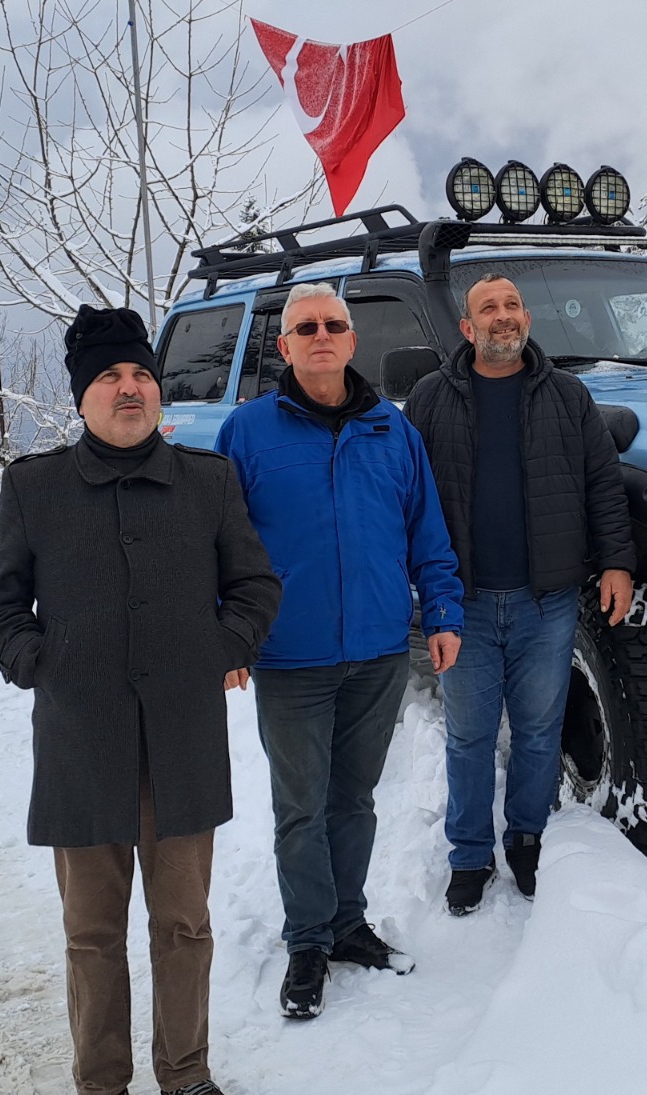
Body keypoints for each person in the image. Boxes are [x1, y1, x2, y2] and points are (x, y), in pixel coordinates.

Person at [0, 306, 282, 1095]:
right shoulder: (34, 489)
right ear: (82, 398)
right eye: (109, 377)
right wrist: (40, 662)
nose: (129, 388)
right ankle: (101, 1089)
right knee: (92, 933)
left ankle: (185, 1073)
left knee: (183, 924)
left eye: (139, 374)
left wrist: (223, 647)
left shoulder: (206, 482)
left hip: (182, 742)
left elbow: (255, 583)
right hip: (82, 745)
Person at [213, 281, 463, 1020]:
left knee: (353, 800)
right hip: (290, 656)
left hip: (380, 651)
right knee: (302, 807)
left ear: (353, 341)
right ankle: (307, 942)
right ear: (284, 346)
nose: (321, 335)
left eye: (334, 325)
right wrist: (227, 632)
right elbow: (218, 544)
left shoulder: (394, 430)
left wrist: (442, 612)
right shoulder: (248, 432)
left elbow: (428, 533)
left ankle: (349, 924)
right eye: (305, 327)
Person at [405, 274, 635, 916]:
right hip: (462, 602)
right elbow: (408, 495)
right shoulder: (431, 398)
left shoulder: (567, 395)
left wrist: (617, 562)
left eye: (511, 306)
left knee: (539, 732)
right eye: (488, 308)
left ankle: (529, 840)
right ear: (466, 327)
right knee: (470, 736)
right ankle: (470, 856)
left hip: (548, 599)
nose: (502, 317)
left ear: (526, 318)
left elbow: (602, 484)